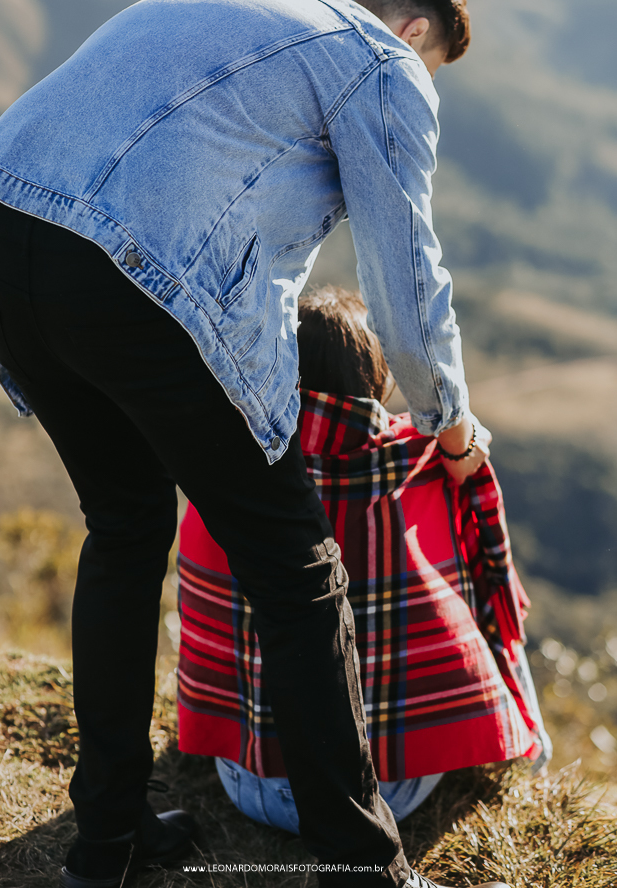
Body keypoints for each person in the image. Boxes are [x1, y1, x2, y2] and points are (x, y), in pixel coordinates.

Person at [0, 0, 505, 888]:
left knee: (124, 529)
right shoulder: (381, 61)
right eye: (432, 67)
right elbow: (406, 284)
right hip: (132, 274)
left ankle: (108, 840)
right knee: (297, 574)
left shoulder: (211, 1)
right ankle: (361, 867)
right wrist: (450, 425)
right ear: (415, 30)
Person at [176, 286, 552, 833]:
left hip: (249, 783)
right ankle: (536, 753)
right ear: (377, 378)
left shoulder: (227, 464)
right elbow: (485, 574)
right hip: (382, 795)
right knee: (482, 589)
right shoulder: (417, 459)